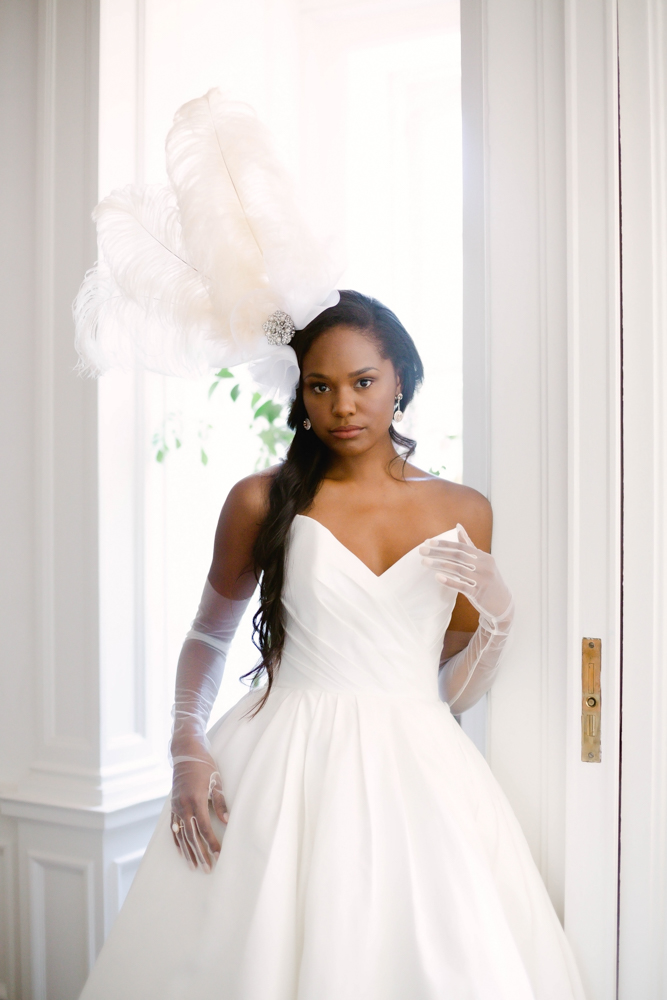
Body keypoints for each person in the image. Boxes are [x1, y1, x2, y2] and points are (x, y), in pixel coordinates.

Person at [78, 290, 586, 1000]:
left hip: (420, 769)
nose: (342, 406)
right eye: (320, 386)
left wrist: (498, 614)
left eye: (362, 382)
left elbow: (454, 693)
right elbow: (208, 635)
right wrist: (185, 744)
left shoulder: (464, 510)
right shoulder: (259, 500)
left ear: (399, 380)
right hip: (280, 760)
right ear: (301, 394)